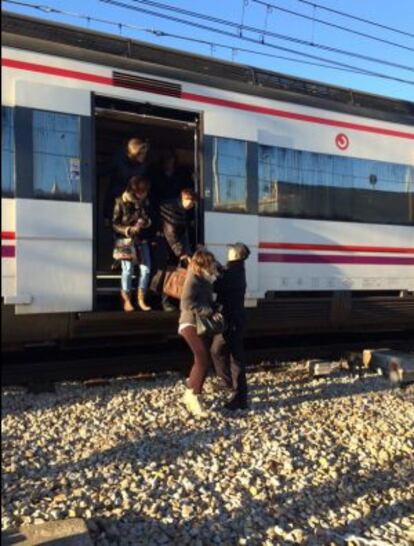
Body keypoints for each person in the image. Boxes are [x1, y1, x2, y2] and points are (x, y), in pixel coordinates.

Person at [210, 243, 251, 411]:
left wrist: (212, 268)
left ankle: (240, 398)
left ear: (236, 254)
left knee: (236, 359)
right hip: (231, 320)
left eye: (231, 249)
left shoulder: (235, 272)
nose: (228, 251)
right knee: (216, 350)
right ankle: (227, 383)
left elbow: (218, 285)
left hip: (232, 322)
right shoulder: (235, 269)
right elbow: (222, 276)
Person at [179, 249, 219, 417]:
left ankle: (190, 394)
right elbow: (186, 303)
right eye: (212, 261)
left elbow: (207, 301)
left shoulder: (205, 278)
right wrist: (208, 311)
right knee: (203, 359)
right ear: (204, 263)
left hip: (199, 324)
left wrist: (216, 309)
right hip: (189, 324)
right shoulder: (193, 278)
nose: (214, 264)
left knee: (201, 360)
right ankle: (193, 396)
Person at [112, 175, 153, 312]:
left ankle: (141, 299)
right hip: (126, 240)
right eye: (141, 191)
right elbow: (114, 224)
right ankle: (126, 300)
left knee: (146, 270)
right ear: (133, 190)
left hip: (142, 239)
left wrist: (145, 222)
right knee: (128, 270)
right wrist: (128, 229)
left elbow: (150, 218)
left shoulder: (146, 202)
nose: (143, 194)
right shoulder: (120, 201)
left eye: (145, 191)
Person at [158, 188, 198, 311]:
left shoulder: (179, 209)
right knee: (170, 275)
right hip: (168, 247)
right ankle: (166, 302)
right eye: (191, 203)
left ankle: (174, 300)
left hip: (175, 247)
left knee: (175, 274)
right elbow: (171, 234)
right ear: (185, 198)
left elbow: (181, 233)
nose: (192, 206)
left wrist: (186, 252)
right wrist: (182, 253)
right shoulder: (171, 209)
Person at [105, 137, 150, 222]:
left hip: (134, 195)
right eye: (141, 154)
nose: (144, 156)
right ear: (135, 153)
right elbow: (108, 171)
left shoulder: (143, 165)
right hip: (117, 191)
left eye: (145, 153)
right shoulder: (120, 159)